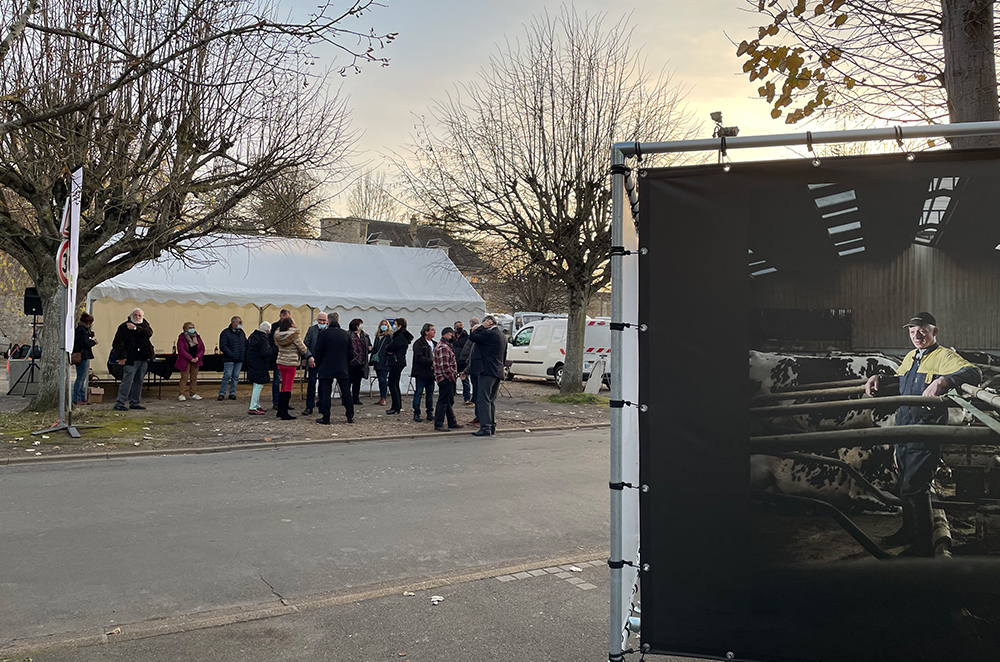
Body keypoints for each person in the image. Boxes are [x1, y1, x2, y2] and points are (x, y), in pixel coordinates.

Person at [865, 312, 981, 557]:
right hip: (905, 430)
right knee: (905, 486)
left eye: (922, 331)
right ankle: (908, 531)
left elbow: (974, 373)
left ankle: (923, 545)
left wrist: (943, 382)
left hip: (924, 431)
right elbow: (901, 382)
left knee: (917, 488)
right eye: (912, 331)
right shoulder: (911, 357)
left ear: (934, 332)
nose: (916, 336)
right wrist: (879, 378)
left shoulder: (944, 356)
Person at [468, 315, 505, 436]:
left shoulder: (489, 334)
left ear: (488, 323)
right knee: (491, 400)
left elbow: (472, 337)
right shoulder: (502, 335)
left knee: (483, 400)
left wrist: (481, 327)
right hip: (497, 370)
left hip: (487, 371)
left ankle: (485, 427)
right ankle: (492, 425)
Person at [313, 315, 354, 425]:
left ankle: (326, 417)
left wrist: (319, 363)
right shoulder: (345, 334)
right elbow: (351, 353)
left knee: (325, 393)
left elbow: (318, 351)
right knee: (346, 392)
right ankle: (350, 415)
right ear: (338, 320)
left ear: (328, 321)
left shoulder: (323, 334)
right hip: (342, 367)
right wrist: (345, 362)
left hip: (326, 367)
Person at [112, 308, 154, 411]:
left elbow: (149, 333)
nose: (137, 317)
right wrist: (121, 357)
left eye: (139, 315)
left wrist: (136, 329)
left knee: (139, 381)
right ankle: (120, 402)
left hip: (143, 358)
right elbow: (117, 343)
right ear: (131, 316)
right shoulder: (123, 327)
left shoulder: (145, 326)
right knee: (127, 381)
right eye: (135, 315)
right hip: (130, 359)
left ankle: (135, 402)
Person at [273, 317, 309, 420]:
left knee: (283, 386)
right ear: (291, 324)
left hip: (281, 361)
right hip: (291, 363)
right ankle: (284, 412)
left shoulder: (278, 334)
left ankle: (280, 410)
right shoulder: (294, 335)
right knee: (288, 387)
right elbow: (303, 349)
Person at [432, 327, 464, 432]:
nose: (453, 337)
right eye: (451, 335)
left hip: (444, 377)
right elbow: (444, 365)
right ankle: (438, 423)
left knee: (448, 401)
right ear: (446, 334)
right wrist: (451, 376)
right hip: (445, 378)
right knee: (443, 401)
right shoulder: (444, 347)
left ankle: (452, 421)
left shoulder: (443, 346)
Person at [383, 317, 413, 415]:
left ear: (400, 326)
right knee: (394, 383)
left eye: (395, 324)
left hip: (396, 361)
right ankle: (396, 406)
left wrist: (389, 349)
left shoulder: (401, 337)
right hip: (396, 361)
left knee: (392, 383)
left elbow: (391, 346)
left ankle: (396, 406)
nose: (394, 326)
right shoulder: (400, 336)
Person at [301, 312, 328, 416]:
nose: (322, 322)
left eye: (324, 321)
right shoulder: (312, 330)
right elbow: (305, 344)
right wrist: (309, 356)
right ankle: (309, 406)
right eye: (320, 320)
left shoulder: (328, 331)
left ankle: (322, 404)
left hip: (324, 363)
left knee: (323, 385)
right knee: (311, 383)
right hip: (313, 361)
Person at [411, 323, 437, 422]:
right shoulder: (419, 343)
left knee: (430, 393)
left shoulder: (434, 343)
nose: (434, 332)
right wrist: (431, 362)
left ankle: (430, 412)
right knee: (419, 392)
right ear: (426, 332)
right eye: (432, 330)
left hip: (431, 373)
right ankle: (416, 412)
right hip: (421, 372)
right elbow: (419, 357)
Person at [246, 321, 273, 415]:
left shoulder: (252, 337)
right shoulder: (263, 339)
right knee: (258, 385)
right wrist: (274, 349)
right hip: (260, 365)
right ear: (268, 331)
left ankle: (256, 405)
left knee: (256, 385)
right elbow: (265, 353)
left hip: (252, 364)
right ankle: (253, 407)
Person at [218, 316, 247, 401]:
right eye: (239, 322)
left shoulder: (241, 332)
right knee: (227, 375)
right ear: (233, 323)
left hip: (239, 359)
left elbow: (245, 343)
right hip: (229, 359)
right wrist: (231, 354)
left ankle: (232, 392)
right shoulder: (225, 333)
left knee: (236, 376)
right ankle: (222, 393)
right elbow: (223, 346)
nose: (241, 324)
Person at [72, 312, 98, 404]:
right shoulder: (81, 330)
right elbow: (85, 343)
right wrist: (93, 342)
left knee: (82, 377)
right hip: (82, 355)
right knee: (80, 377)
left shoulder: (81, 329)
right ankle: (77, 398)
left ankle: (81, 397)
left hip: (83, 355)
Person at [175, 321, 205, 401]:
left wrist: (198, 357)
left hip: (196, 360)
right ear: (185, 329)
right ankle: (181, 394)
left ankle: (193, 393)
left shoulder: (197, 337)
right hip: (185, 360)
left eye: (193, 327)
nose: (192, 329)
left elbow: (202, 348)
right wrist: (190, 358)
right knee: (184, 377)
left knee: (194, 378)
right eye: (190, 328)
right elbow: (181, 350)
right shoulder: (181, 337)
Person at [269, 309, 291, 409]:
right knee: (277, 379)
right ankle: (276, 401)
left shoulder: (290, 327)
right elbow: (271, 340)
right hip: (278, 356)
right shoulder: (274, 326)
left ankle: (285, 402)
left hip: (287, 356)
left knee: (286, 380)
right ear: (281, 316)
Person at [461, 317, 481, 424]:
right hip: (475, 370)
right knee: (478, 395)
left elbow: (473, 358)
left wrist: (466, 370)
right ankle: (480, 417)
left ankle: (480, 418)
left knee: (479, 395)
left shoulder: (478, 343)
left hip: (477, 371)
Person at [369, 319, 393, 406]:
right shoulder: (377, 336)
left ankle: (384, 398)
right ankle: (382, 397)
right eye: (382, 324)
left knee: (383, 379)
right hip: (378, 361)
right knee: (380, 379)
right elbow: (375, 348)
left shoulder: (389, 336)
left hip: (385, 361)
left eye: (385, 324)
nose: (384, 326)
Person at [348, 318, 372, 406]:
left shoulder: (365, 335)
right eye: (360, 324)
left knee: (357, 382)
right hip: (350, 362)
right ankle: (346, 398)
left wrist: (369, 348)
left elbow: (369, 345)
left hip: (361, 362)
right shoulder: (348, 335)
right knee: (348, 382)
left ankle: (356, 398)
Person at [452, 320, 472, 405]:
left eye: (460, 325)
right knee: (452, 380)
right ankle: (451, 396)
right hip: (453, 362)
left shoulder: (466, 337)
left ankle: (466, 398)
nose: (459, 327)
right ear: (454, 328)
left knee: (465, 380)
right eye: (457, 326)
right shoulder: (452, 337)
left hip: (463, 362)